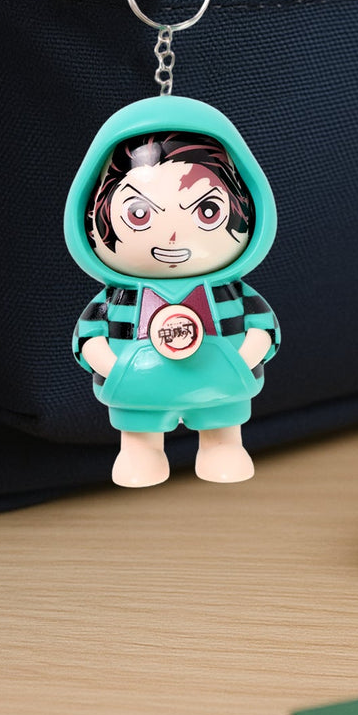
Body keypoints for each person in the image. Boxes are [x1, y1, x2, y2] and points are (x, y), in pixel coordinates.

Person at [64, 95, 279, 487]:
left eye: (207, 211)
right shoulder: (116, 299)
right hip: (136, 390)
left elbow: (261, 326)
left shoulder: (234, 292)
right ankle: (140, 451)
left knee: (222, 423)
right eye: (139, 214)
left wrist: (242, 359)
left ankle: (222, 446)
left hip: (222, 387)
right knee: (139, 431)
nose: (174, 235)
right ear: (94, 213)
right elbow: (90, 335)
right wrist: (115, 368)